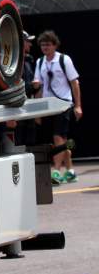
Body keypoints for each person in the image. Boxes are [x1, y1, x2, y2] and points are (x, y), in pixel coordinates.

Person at [33, 30, 83, 184]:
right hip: (48, 107)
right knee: (61, 140)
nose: (45, 47)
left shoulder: (64, 59)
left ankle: (56, 171)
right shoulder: (40, 62)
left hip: (63, 105)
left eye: (48, 44)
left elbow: (75, 83)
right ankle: (70, 171)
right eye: (42, 45)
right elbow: (38, 88)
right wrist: (37, 111)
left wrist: (78, 106)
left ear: (55, 45)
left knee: (57, 137)